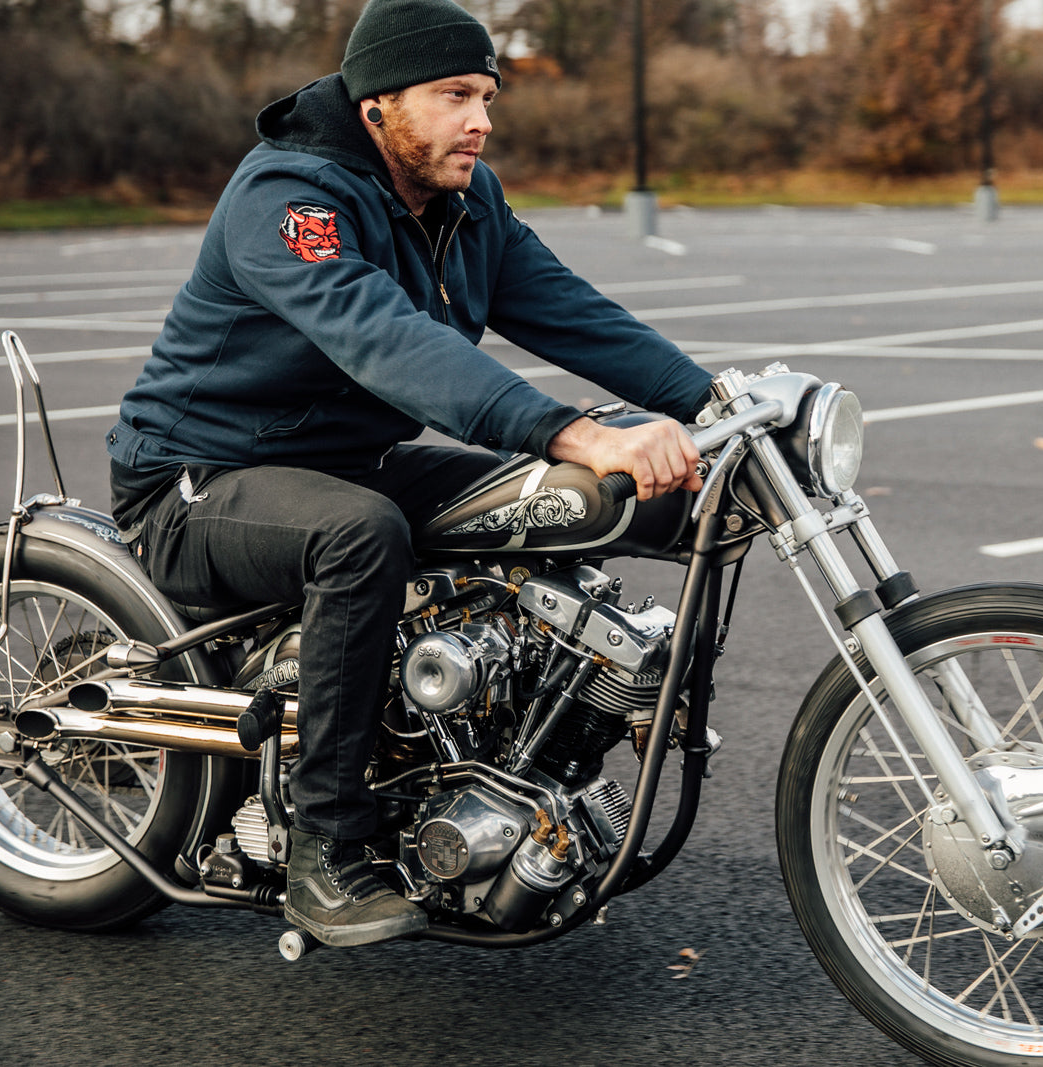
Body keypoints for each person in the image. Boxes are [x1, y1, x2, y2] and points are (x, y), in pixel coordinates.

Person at [105, 0, 712, 948]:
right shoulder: (289, 198)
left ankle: (491, 755)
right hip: (197, 478)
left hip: (350, 462)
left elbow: (571, 312)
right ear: (379, 103)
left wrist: (713, 403)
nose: (482, 118)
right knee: (361, 535)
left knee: (576, 503)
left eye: (487, 96)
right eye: (454, 95)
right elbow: (380, 337)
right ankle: (326, 851)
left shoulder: (468, 203)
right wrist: (568, 428)